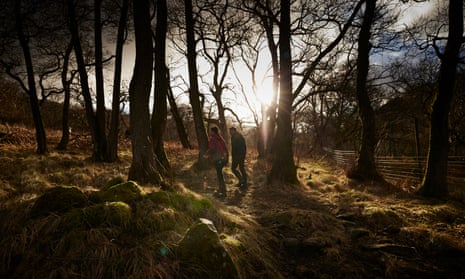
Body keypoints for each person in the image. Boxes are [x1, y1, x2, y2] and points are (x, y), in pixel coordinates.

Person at [206, 126, 229, 197]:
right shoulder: (221, 138)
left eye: (210, 131)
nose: (210, 132)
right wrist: (227, 158)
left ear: (213, 132)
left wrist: (206, 154)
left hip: (217, 158)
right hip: (223, 158)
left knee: (219, 174)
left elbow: (212, 149)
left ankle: (223, 191)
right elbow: (225, 148)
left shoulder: (213, 139)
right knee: (220, 174)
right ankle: (222, 189)